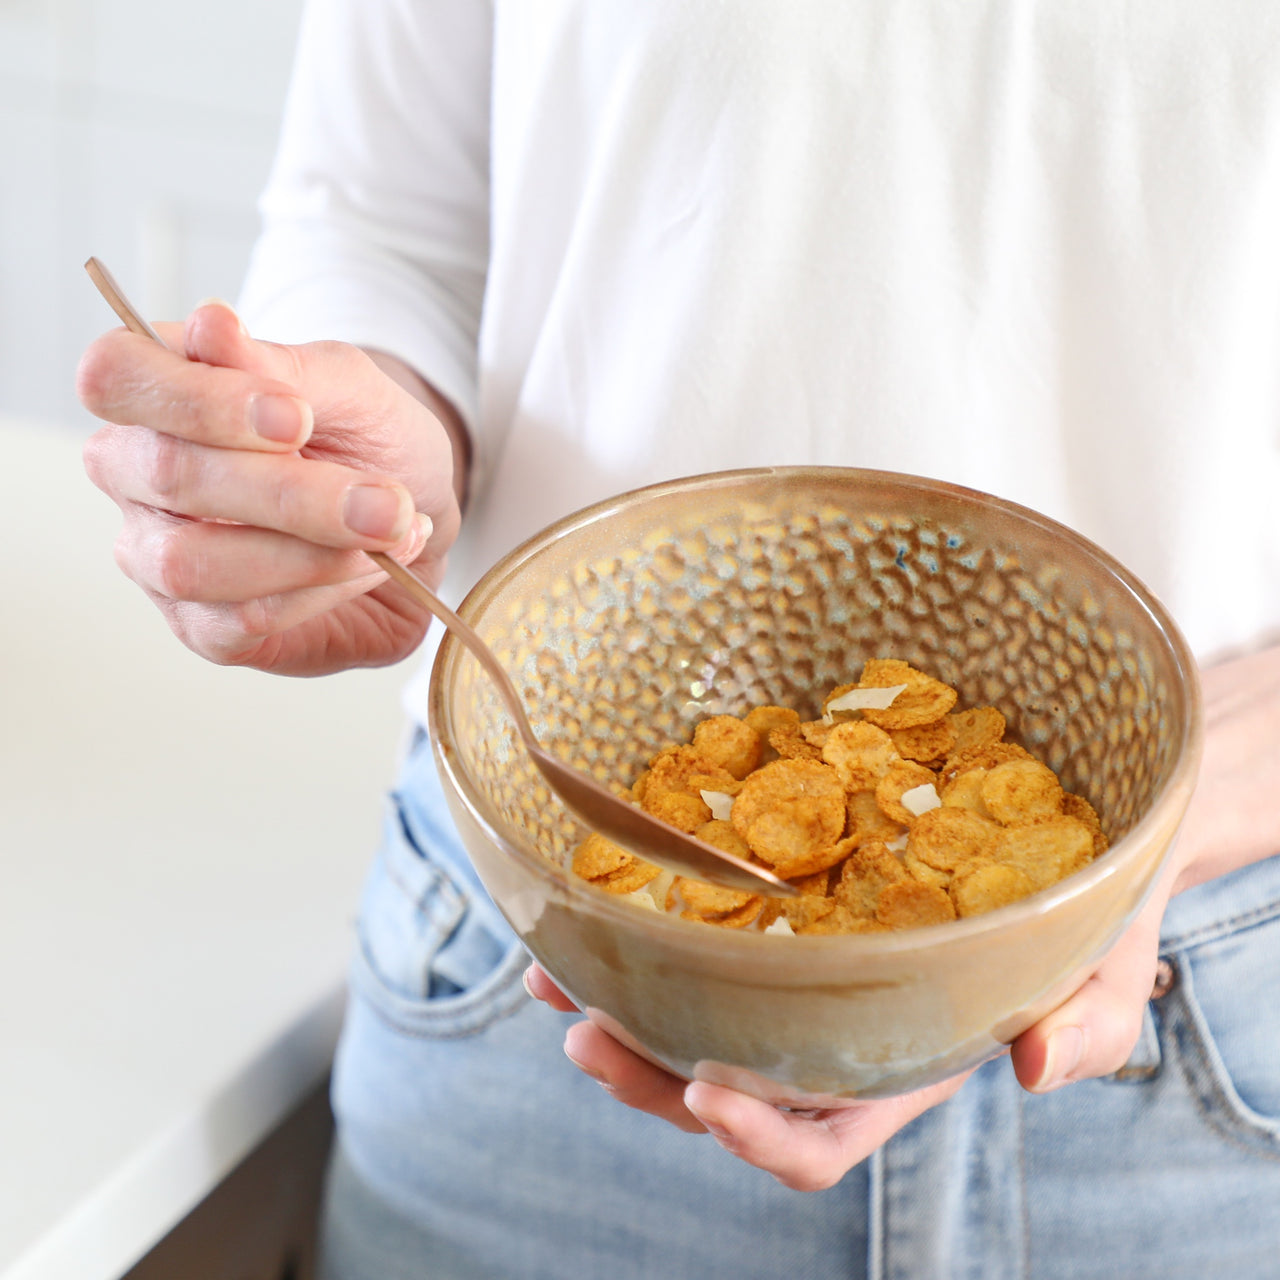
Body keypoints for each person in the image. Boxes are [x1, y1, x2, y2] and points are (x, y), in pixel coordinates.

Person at [76, 3, 1280, 1277]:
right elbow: (385, 217)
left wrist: (1172, 819)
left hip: (1199, 1054)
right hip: (549, 969)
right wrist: (369, 471)